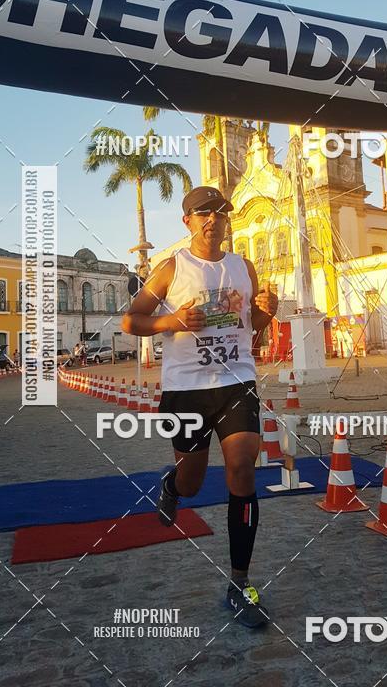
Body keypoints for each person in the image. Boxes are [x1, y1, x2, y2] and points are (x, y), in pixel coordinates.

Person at [122, 186, 278, 628]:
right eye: (204, 212)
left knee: (243, 468)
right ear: (188, 221)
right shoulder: (172, 268)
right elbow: (131, 320)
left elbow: (253, 329)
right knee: (192, 482)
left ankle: (240, 583)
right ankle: (173, 487)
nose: (214, 219)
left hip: (236, 381)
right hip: (186, 389)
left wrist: (267, 311)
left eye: (221, 212)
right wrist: (171, 321)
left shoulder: (243, 267)